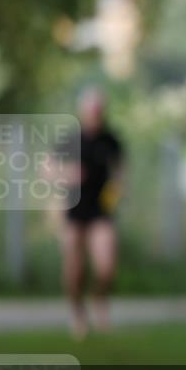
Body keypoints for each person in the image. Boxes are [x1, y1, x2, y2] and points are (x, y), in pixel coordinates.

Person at [62, 87, 124, 338]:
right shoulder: (69, 141)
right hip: (75, 212)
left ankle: (99, 301)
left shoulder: (111, 141)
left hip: (101, 212)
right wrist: (68, 175)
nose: (96, 114)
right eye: (92, 110)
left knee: (106, 267)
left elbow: (120, 172)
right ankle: (77, 312)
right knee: (75, 269)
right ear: (83, 111)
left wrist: (119, 190)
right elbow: (47, 170)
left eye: (99, 110)